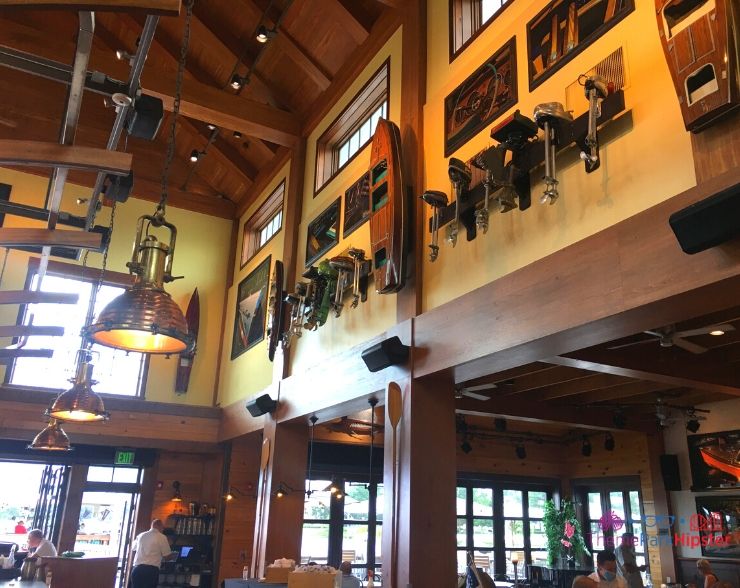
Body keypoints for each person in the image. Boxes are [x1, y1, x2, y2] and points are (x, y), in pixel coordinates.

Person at [130, 519, 176, 588]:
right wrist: (173, 555)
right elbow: (167, 557)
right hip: (151, 571)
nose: (162, 529)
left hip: (137, 569)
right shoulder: (162, 537)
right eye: (162, 527)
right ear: (159, 526)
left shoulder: (141, 535)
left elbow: (133, 548)